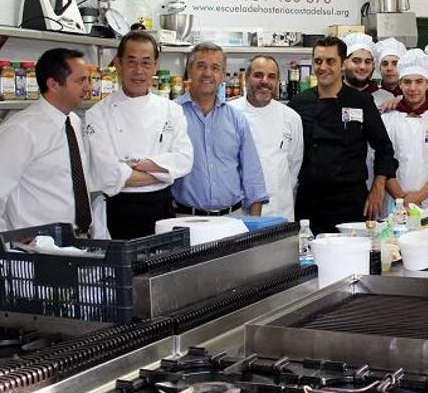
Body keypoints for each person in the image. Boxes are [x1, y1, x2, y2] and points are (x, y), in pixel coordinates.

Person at [85, 31, 193, 239]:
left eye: (146, 63)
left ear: (155, 65)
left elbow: (185, 160)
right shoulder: (97, 114)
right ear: (118, 63)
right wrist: (162, 171)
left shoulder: (172, 110)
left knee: (165, 267)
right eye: (131, 62)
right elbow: (106, 173)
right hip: (118, 210)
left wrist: (137, 163)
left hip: (163, 208)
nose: (138, 71)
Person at [0, 48, 92, 235]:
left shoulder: (74, 122)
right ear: (53, 84)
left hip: (79, 241)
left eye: (88, 80)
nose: (88, 87)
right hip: (39, 249)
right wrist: (2, 243)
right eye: (80, 81)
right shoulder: (21, 129)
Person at [289, 36, 398, 234]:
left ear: (342, 64)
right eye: (318, 61)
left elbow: (384, 148)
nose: (323, 67)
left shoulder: (361, 102)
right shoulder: (299, 103)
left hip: (351, 201)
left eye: (331, 61)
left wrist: (378, 186)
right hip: (310, 202)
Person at [172, 43, 268, 217]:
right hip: (185, 219)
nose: (207, 73)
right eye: (201, 66)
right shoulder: (171, 113)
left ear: (223, 75)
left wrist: (254, 226)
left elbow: (252, 175)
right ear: (189, 70)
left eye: (215, 68)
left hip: (233, 219)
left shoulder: (236, 118)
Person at [229, 55, 303, 220]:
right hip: (237, 211)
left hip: (279, 210)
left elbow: (294, 165)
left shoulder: (291, 117)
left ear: (277, 81)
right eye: (258, 75)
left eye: (271, 76)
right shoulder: (229, 113)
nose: (265, 81)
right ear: (246, 78)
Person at [381, 49, 428, 207]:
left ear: (427, 84)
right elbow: (382, 161)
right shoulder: (386, 119)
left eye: (418, 81)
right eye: (407, 82)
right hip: (394, 203)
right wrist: (401, 198)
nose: (413, 88)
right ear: (400, 85)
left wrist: (418, 197)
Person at [342, 32, 395, 107]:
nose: (362, 67)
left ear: (373, 65)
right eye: (356, 61)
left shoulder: (387, 99)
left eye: (367, 62)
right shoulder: (331, 95)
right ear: (344, 63)